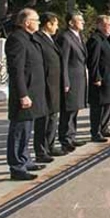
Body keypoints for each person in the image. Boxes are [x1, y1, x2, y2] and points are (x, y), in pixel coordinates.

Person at [5, 8, 48, 181]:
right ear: (26, 22)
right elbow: (17, 70)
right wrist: (23, 94)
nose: (39, 22)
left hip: (33, 92)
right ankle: (17, 167)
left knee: (27, 129)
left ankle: (25, 159)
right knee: (19, 131)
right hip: (25, 94)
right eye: (36, 20)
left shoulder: (29, 38)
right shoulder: (17, 39)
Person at [32, 12, 64, 162]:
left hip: (54, 84)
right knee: (43, 119)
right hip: (45, 85)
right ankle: (41, 150)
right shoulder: (38, 39)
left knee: (53, 116)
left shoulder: (51, 39)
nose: (57, 27)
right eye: (55, 24)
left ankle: (50, 145)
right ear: (48, 24)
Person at [87, 15, 110, 142]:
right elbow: (93, 62)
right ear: (100, 25)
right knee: (99, 107)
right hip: (101, 79)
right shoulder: (96, 40)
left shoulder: (108, 38)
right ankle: (96, 132)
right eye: (109, 25)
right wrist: (96, 77)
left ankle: (104, 128)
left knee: (108, 104)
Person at [58, 12, 88, 152]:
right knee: (68, 110)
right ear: (71, 22)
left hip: (79, 78)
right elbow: (63, 62)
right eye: (79, 20)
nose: (83, 22)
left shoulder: (78, 36)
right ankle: (65, 139)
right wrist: (65, 81)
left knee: (75, 110)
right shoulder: (65, 37)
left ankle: (72, 135)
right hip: (71, 79)